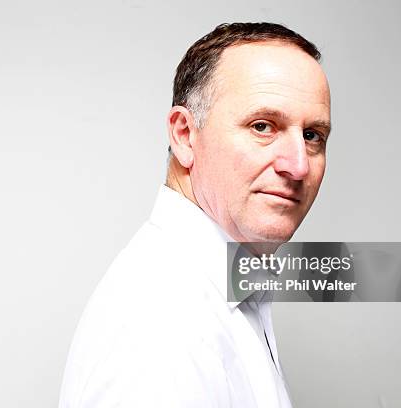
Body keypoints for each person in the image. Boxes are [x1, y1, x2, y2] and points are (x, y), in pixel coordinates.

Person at [59, 22, 331, 407]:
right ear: (185, 135)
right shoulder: (161, 321)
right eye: (262, 126)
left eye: (312, 135)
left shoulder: (221, 285)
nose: (298, 166)